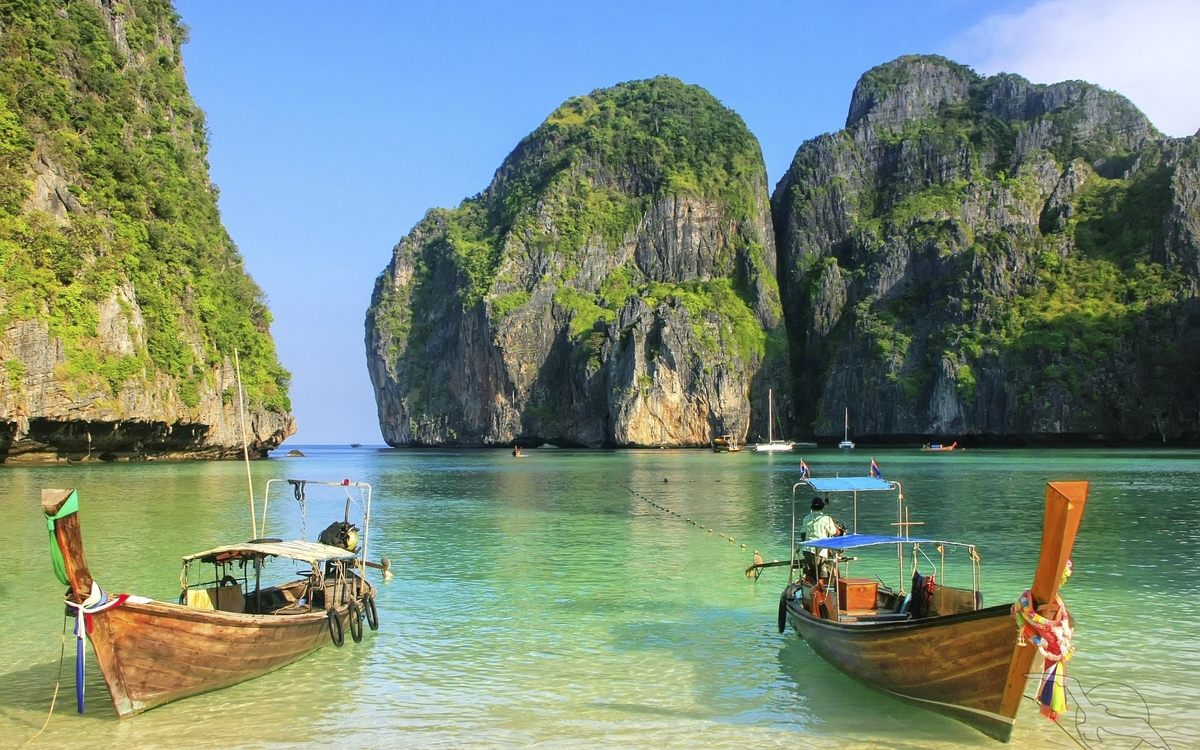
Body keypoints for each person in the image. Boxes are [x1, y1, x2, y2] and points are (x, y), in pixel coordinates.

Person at [798, 497, 843, 581]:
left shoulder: (806, 518)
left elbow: (803, 535)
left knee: (809, 574)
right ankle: (820, 592)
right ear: (822, 507)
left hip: (807, 549)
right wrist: (840, 531)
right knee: (821, 576)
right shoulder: (826, 518)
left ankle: (810, 591)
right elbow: (834, 532)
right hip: (820, 551)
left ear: (812, 508)